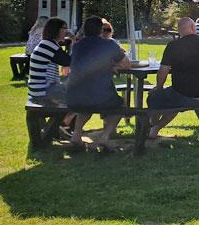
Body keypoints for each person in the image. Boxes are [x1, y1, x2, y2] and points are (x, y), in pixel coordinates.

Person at [66, 17, 130, 151]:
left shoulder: (77, 46)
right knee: (121, 105)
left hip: (73, 97)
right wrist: (111, 65)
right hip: (100, 97)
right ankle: (104, 138)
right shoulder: (109, 44)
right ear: (101, 30)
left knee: (86, 105)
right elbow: (126, 64)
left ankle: (76, 135)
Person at [147, 17, 199, 138]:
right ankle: (155, 128)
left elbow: (163, 71)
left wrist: (159, 87)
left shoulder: (173, 46)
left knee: (154, 97)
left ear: (179, 31)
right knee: (176, 96)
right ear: (194, 28)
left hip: (185, 95)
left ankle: (154, 126)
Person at [27, 17, 71, 106]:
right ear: (56, 30)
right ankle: (65, 119)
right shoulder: (49, 45)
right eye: (64, 28)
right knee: (80, 94)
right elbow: (69, 61)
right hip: (43, 90)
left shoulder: (46, 43)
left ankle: (63, 119)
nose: (66, 31)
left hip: (37, 90)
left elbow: (65, 60)